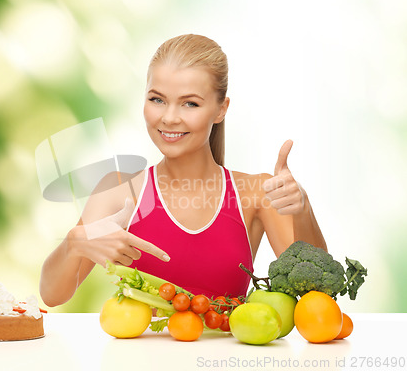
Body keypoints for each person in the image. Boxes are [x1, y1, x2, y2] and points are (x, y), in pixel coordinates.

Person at [40, 34, 327, 307]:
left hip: (220, 360)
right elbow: (52, 295)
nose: (169, 117)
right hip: (136, 359)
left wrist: (302, 209)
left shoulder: (257, 193)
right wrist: (75, 242)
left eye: (190, 103)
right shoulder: (117, 190)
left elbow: (317, 293)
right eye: (157, 99)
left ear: (220, 109)